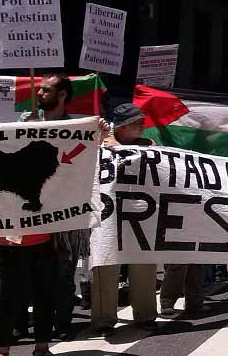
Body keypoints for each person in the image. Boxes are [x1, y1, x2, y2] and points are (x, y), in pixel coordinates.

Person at [0, 74, 109, 356]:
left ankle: (55, 330)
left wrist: (101, 133)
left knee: (55, 281)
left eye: (45, 90)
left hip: (60, 223)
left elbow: (87, 160)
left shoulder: (76, 126)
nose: (39, 93)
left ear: (62, 94)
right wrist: (26, 130)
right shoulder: (24, 121)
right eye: (40, 89)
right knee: (14, 287)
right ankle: (15, 332)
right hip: (21, 223)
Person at [92, 104, 159, 336]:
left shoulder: (148, 144)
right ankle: (103, 319)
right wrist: (101, 138)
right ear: (120, 126)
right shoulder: (100, 143)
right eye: (136, 123)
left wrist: (119, 148)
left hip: (140, 213)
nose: (142, 126)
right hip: (108, 214)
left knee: (144, 266)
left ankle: (146, 314)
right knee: (106, 265)